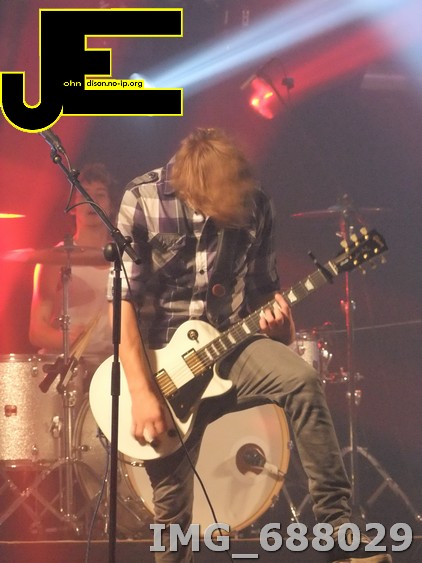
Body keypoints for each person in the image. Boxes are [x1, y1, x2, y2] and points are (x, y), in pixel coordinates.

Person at [114, 128, 392, 563]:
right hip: (162, 365)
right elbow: (122, 303)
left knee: (301, 380)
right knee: (171, 508)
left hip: (231, 346)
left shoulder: (256, 204)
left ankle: (338, 531)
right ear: (196, 190)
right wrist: (141, 391)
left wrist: (282, 328)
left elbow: (265, 292)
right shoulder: (144, 198)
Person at [29, 162, 116, 387]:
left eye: (100, 195)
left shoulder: (124, 261)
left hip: (110, 370)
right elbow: (36, 331)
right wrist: (66, 339)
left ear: (111, 206)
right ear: (73, 207)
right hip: (64, 373)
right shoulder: (54, 260)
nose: (91, 201)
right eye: (83, 195)